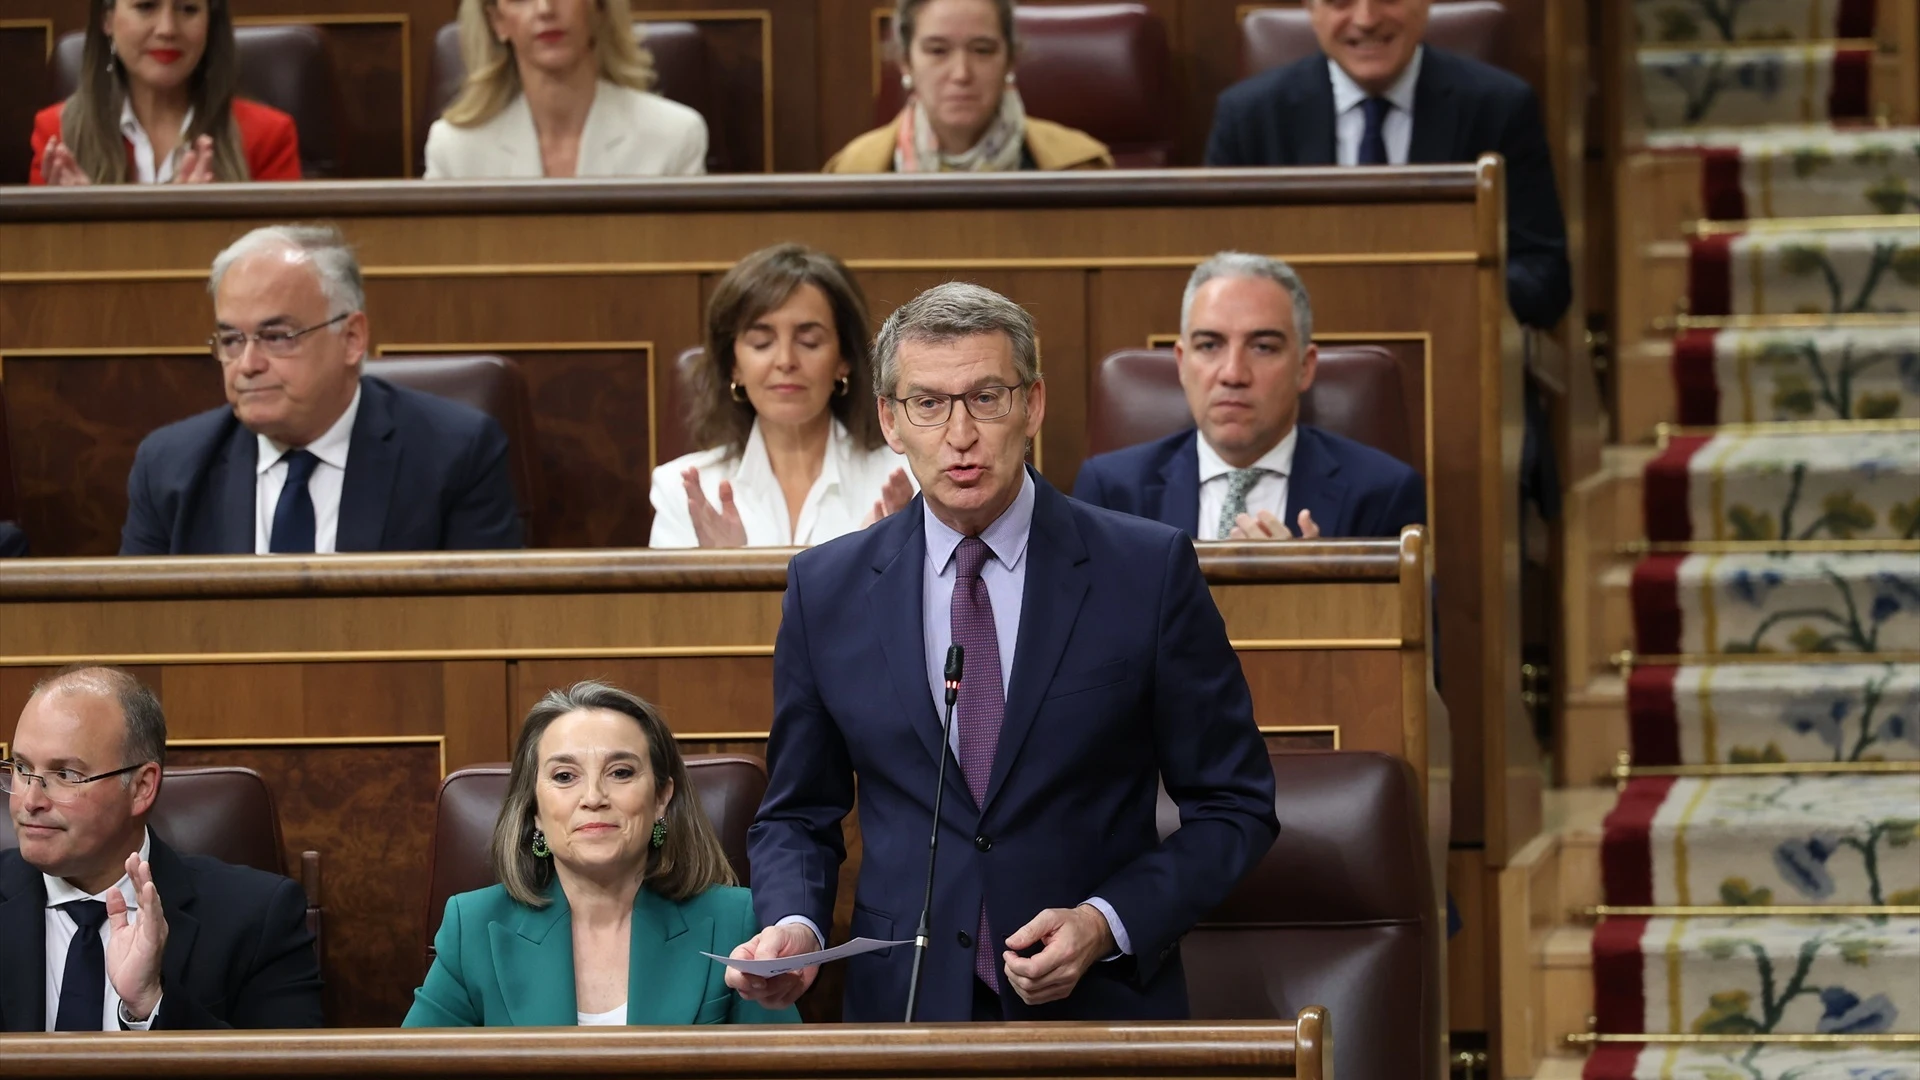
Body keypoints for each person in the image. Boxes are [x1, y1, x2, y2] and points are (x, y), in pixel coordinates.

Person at [729, 282, 1279, 1022]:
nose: (960, 433)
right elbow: (798, 812)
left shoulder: (1145, 572)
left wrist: (1106, 921)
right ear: (891, 420)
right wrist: (795, 924)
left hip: (1099, 1016)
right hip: (907, 1015)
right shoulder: (827, 588)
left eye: (987, 397)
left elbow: (1234, 805)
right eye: (928, 403)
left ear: (1034, 406)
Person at [405, 681, 799, 1027]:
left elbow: (786, 1073)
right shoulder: (473, 928)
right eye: (564, 777)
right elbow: (414, 1069)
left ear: (662, 797)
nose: (593, 797)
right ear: (534, 810)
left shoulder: (737, 922)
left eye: (621, 772)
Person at [119, 225, 525, 555]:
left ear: (351, 338)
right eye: (231, 340)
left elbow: (482, 632)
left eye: (276, 337)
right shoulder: (170, 466)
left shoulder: (455, 454)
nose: (248, 365)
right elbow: (136, 637)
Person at [1204, 0, 1570, 331]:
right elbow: (1212, 278)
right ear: (1312, 10)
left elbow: (1546, 277)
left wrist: (1444, 293)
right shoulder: (1248, 117)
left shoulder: (1499, 108)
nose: (1365, 19)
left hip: (1456, 355)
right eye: (1340, 1)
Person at [0, 667, 323, 1031]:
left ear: (141, 788)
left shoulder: (259, 918)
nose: (29, 800)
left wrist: (151, 1003)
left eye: (66, 775)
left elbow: (287, 1067)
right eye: (22, 768)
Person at [1074, 252, 1424, 541]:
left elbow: (1411, 627)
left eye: (1262, 347)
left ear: (1305, 366)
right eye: (1209, 345)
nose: (1233, 374)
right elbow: (1083, 625)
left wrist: (1317, 588)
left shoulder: (1381, 493)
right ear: (1182, 363)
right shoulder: (1112, 493)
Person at [650, 244, 913, 547]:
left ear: (844, 360)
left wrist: (890, 562)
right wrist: (720, 572)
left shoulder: (906, 478)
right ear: (734, 365)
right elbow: (665, 598)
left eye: (809, 341)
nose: (786, 360)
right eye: (762, 342)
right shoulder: (683, 491)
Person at [425, 0, 707, 178]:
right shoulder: (455, 150)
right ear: (497, 21)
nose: (545, 8)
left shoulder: (674, 138)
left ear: (598, 7)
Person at [30, 0, 301, 186]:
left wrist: (209, 227)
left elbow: (286, 264)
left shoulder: (268, 136)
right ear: (107, 19)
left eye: (188, 9)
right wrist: (79, 227)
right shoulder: (57, 135)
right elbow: (35, 260)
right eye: (146, 6)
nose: (168, 29)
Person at [824, 0, 1112, 172]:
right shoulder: (854, 170)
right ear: (905, 61)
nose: (961, 74)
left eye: (982, 50)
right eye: (938, 51)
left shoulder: (1080, 166)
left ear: (1010, 60)